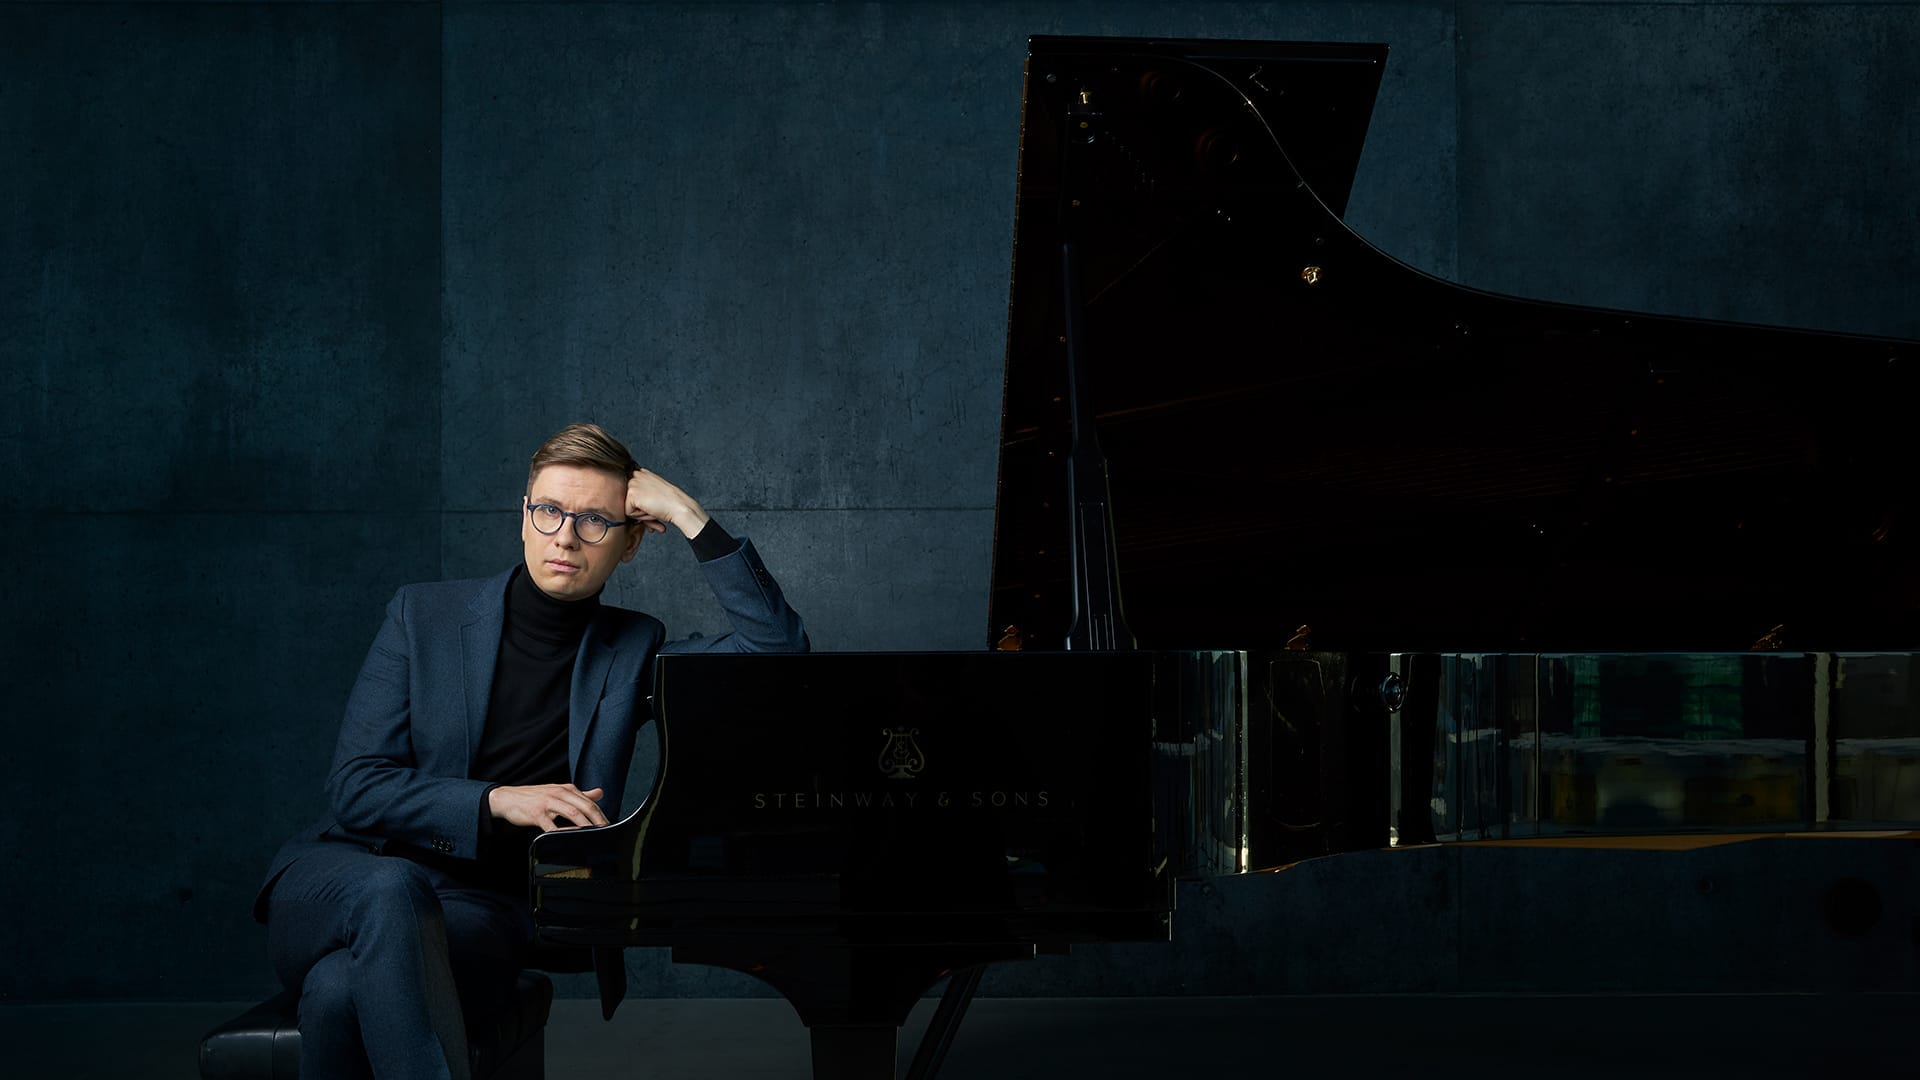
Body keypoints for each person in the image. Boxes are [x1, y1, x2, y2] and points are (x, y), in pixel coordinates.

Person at [252, 422, 808, 1079]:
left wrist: (690, 516)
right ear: (524, 517)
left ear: (631, 544)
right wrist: (498, 801)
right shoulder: (421, 615)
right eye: (549, 511)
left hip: (478, 912)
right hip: (348, 875)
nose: (566, 536)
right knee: (391, 887)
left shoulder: (632, 652)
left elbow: (777, 657)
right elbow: (355, 787)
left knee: (340, 991)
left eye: (596, 520)